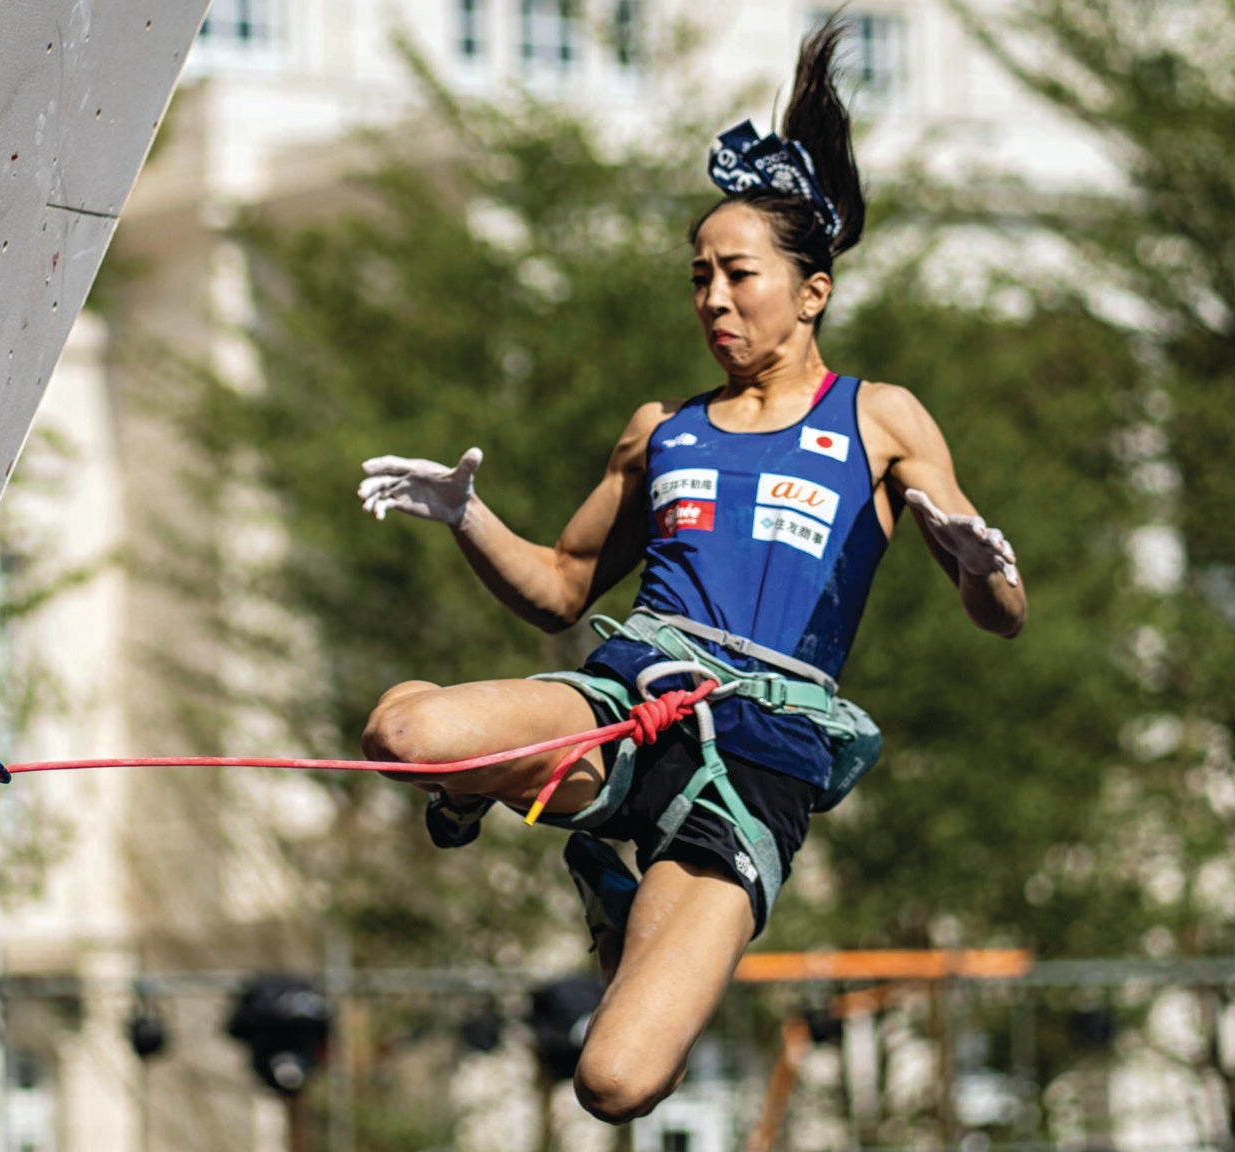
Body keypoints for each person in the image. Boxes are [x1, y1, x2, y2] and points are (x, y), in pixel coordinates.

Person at [352, 20, 1026, 1125]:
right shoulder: (660, 431)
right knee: (401, 739)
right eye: (698, 276)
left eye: (737, 274)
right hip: (632, 696)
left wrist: (977, 569)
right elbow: (562, 586)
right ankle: (472, 786)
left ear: (809, 291)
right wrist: (468, 517)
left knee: (615, 1082)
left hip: (760, 757)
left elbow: (1002, 614)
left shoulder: (879, 419)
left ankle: (605, 881)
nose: (712, 297)